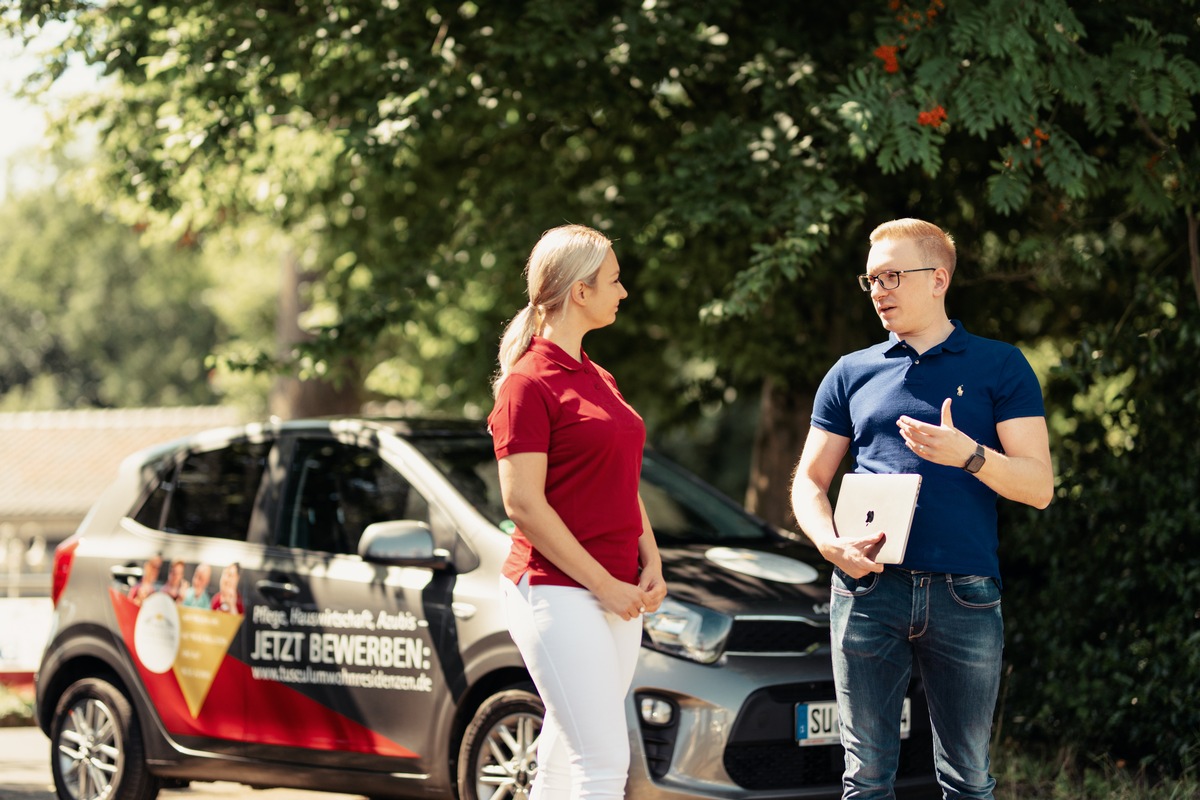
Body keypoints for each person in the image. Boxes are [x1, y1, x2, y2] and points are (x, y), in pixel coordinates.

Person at [789, 218, 1054, 799]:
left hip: (965, 592)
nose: (878, 290)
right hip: (865, 589)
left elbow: (1039, 487)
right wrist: (828, 543)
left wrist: (971, 456)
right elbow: (809, 481)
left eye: (891, 276)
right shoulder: (850, 372)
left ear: (938, 279)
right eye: (871, 279)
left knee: (968, 778)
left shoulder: (1000, 365)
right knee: (865, 778)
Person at [488, 223, 667, 799]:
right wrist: (603, 585)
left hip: (618, 588)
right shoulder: (526, 383)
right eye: (614, 280)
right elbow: (523, 504)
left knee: (564, 762)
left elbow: (621, 479)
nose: (624, 291)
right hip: (555, 588)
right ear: (580, 292)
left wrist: (651, 559)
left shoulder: (600, 378)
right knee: (603, 760)